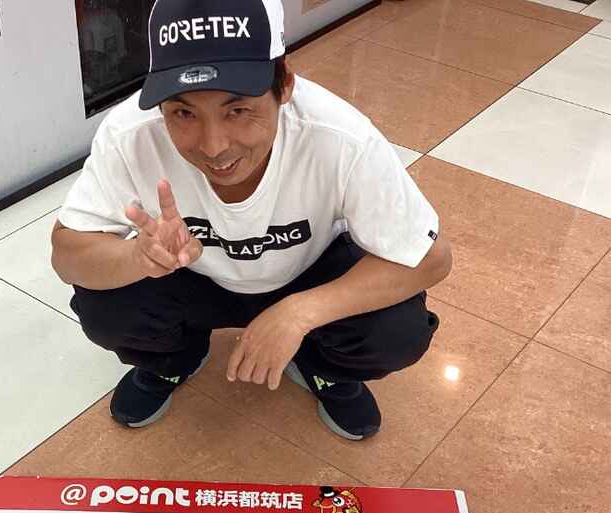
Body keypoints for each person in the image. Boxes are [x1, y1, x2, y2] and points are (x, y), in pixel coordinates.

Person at [51, 0, 451, 441]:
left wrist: (301, 313)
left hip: (308, 271)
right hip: (193, 277)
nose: (214, 146)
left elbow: (431, 258)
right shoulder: (130, 134)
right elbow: (67, 253)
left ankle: (325, 369)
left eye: (237, 109)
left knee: (397, 330)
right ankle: (172, 363)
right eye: (183, 113)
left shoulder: (340, 137)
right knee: (105, 305)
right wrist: (136, 258)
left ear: (285, 86)